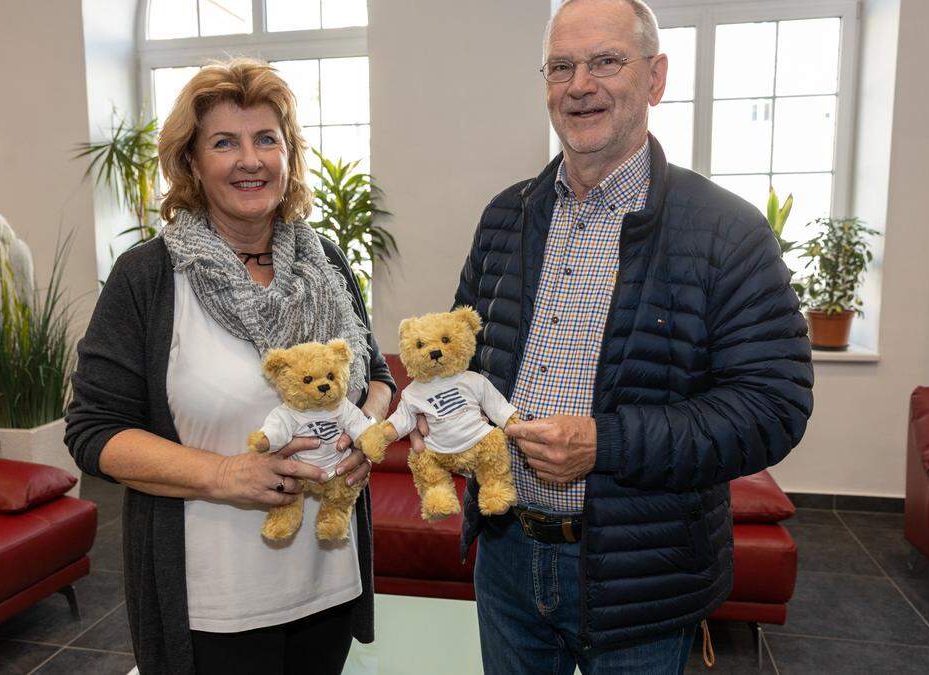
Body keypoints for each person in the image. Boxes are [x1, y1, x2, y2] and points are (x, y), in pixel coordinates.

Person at [434, 0, 815, 672]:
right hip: (506, 558)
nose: (580, 85)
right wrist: (444, 416)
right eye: (561, 67)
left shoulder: (726, 231)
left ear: (656, 78)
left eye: (606, 61)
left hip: (640, 575)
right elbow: (463, 357)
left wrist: (605, 443)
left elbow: (772, 406)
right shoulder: (506, 215)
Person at [65, 58, 394, 675]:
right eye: (224, 142)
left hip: (328, 582)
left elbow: (376, 376)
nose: (250, 159)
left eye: (266, 139)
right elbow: (94, 432)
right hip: (214, 603)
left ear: (288, 155)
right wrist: (226, 475)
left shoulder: (323, 260)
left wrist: (366, 436)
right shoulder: (148, 277)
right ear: (190, 162)